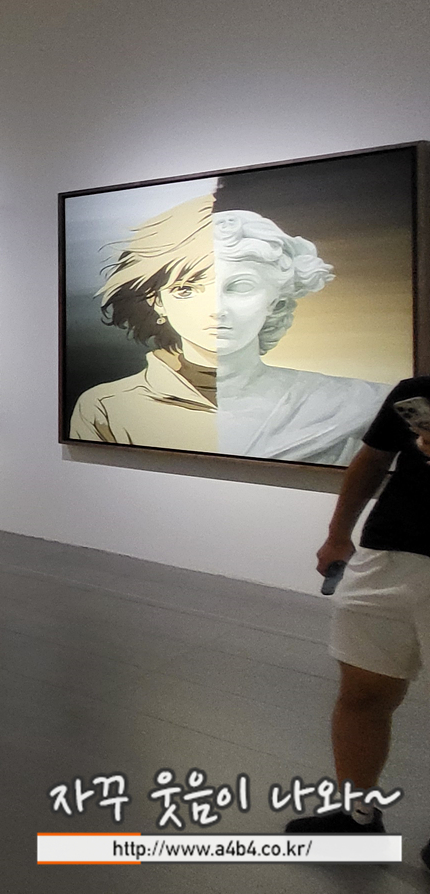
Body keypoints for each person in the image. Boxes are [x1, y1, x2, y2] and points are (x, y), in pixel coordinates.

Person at [69, 195, 384, 463]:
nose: (216, 309)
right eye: (186, 289)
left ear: (275, 301)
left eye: (241, 286)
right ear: (158, 303)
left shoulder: (356, 402)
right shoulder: (107, 406)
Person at [286, 379, 430, 857]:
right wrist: (337, 534)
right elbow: (372, 458)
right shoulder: (417, 391)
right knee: (362, 695)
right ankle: (357, 816)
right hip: (385, 556)